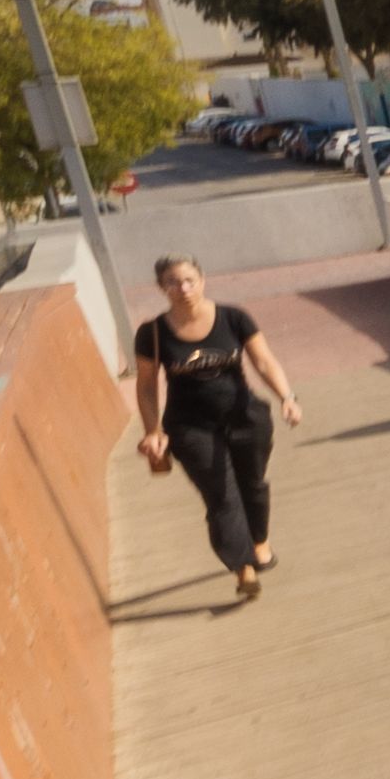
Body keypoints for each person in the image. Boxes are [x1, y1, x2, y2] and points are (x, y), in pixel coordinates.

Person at [132, 255, 301, 601]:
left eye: (189, 280)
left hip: (245, 416)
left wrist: (286, 396)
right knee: (221, 494)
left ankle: (260, 543)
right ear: (161, 288)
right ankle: (244, 569)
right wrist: (152, 430)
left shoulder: (233, 318)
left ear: (203, 279)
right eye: (173, 282)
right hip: (189, 426)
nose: (183, 289)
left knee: (252, 483)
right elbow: (147, 386)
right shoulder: (152, 333)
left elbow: (264, 360)